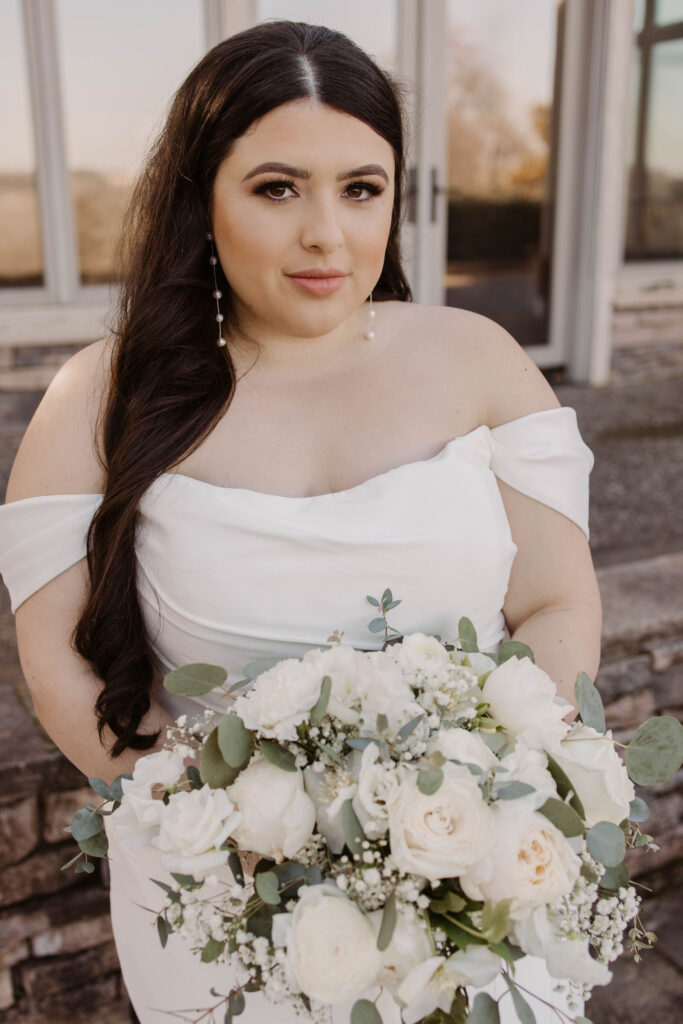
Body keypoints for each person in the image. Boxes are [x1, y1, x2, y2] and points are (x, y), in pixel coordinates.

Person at [0, 19, 600, 1024]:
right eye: (277, 188)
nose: (326, 233)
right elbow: (57, 659)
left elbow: (554, 599)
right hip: (218, 895)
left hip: (468, 868)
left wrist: (461, 798)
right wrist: (226, 817)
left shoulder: (480, 357)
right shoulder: (97, 396)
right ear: (202, 197)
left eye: (360, 189)